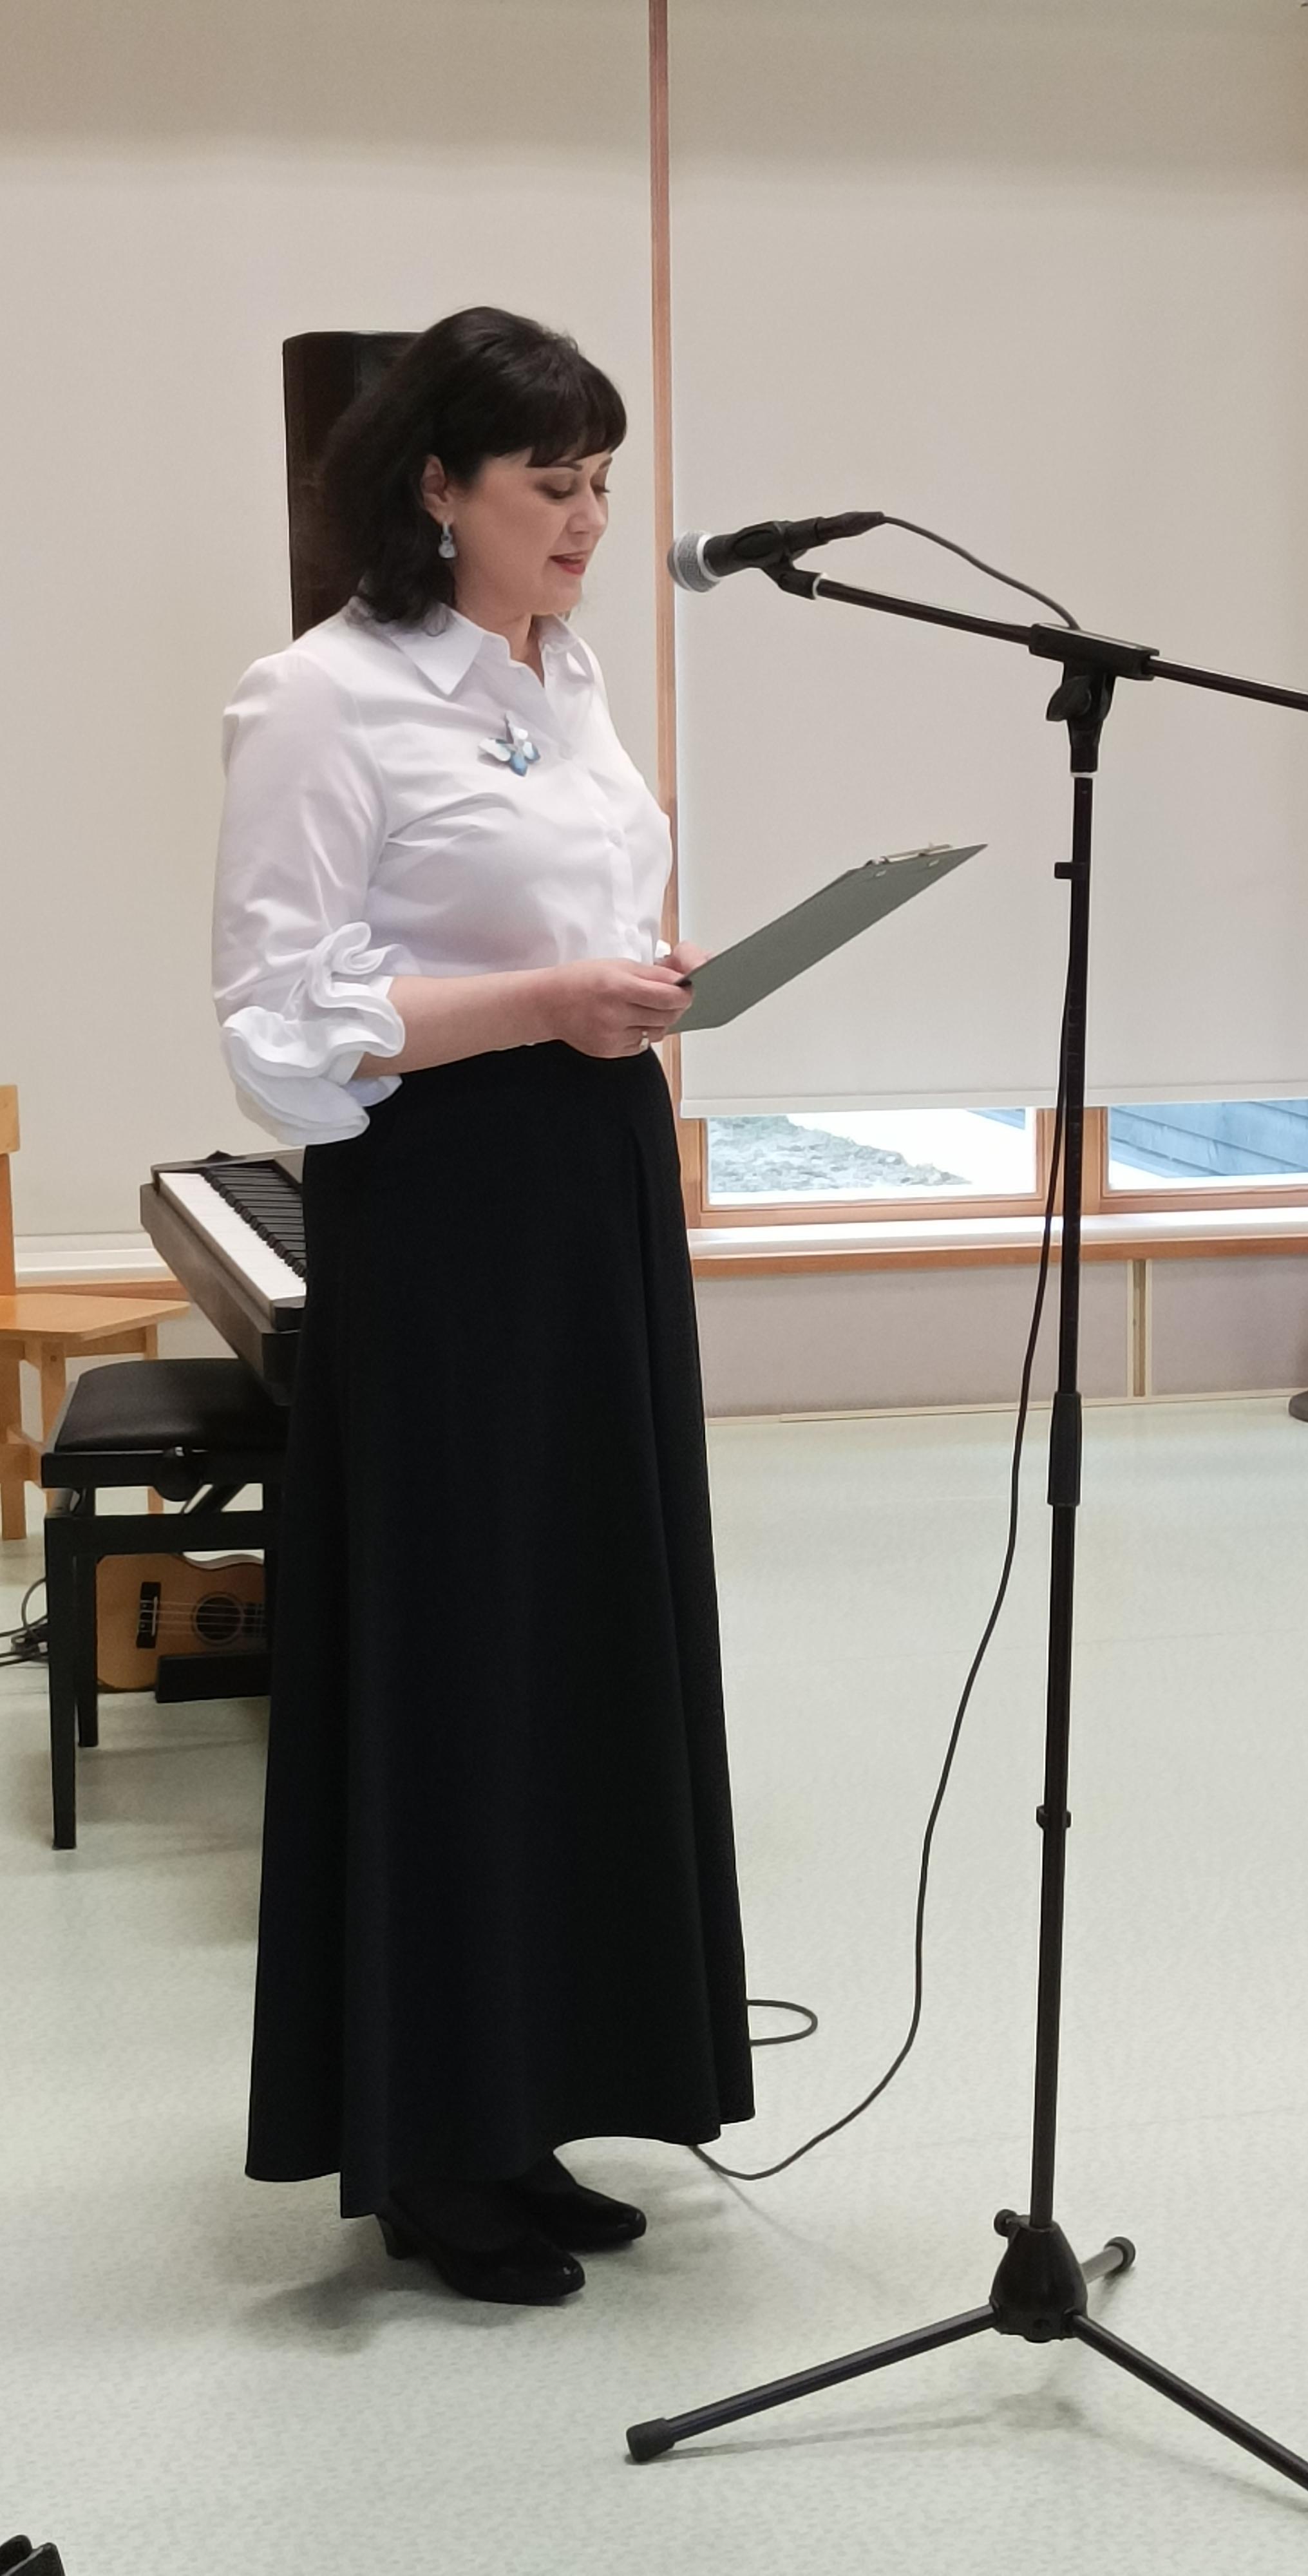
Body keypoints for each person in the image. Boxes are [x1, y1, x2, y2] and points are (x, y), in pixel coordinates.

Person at [211, 306, 753, 2306]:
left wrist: (628, 981)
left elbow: (562, 914)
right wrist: (545, 1001)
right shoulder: (321, 698)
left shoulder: (567, 673)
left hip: (592, 1175)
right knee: (457, 1648)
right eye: (551, 484)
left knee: (579, 1632)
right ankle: (431, 2146)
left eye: (603, 481)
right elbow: (280, 1020)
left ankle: (539, 2096)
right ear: (436, 488)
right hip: (445, 1206)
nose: (588, 519)